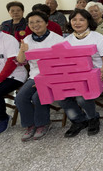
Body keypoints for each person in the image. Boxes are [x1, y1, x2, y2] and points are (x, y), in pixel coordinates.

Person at [60, 9, 103, 137]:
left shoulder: (99, 38)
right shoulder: (67, 40)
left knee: (81, 96)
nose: (77, 23)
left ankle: (92, 118)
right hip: (74, 76)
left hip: (98, 72)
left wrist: (101, 72)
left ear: (88, 21)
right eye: (74, 20)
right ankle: (78, 120)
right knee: (60, 95)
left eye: (81, 20)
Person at [15, 11, 65, 141]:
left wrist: (46, 80)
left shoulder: (58, 39)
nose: (35, 25)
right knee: (20, 98)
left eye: (38, 21)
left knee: (38, 96)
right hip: (35, 76)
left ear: (47, 23)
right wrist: (22, 49)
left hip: (54, 76)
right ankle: (30, 125)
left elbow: (63, 63)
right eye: (31, 22)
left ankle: (43, 124)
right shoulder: (26, 39)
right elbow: (21, 61)